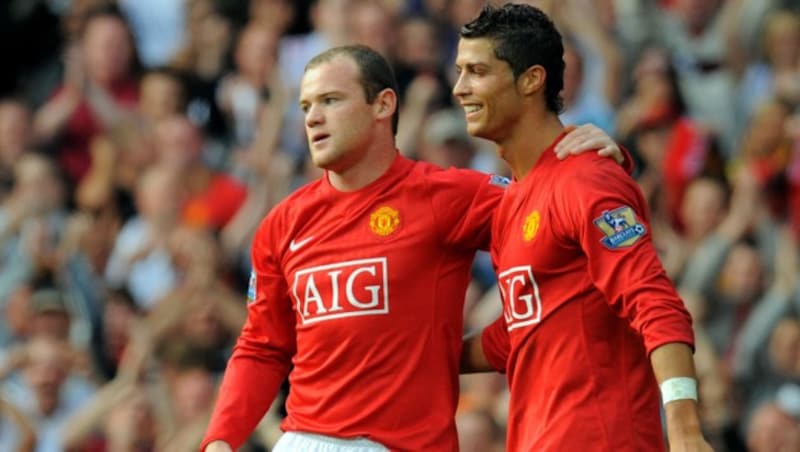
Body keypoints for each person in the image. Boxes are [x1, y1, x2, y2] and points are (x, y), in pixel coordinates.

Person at [201, 44, 625, 452]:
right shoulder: (283, 223)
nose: (313, 118)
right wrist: (221, 437)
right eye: (306, 106)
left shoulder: (446, 195)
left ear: (383, 105)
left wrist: (598, 163)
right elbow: (262, 345)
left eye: (330, 100)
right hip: (307, 439)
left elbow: (561, 219)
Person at [455, 4, 712, 451]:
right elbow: (521, 332)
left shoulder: (586, 178)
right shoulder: (515, 197)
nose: (460, 89)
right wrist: (415, 354)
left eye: (477, 71)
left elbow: (655, 302)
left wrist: (686, 431)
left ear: (531, 79)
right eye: (460, 71)